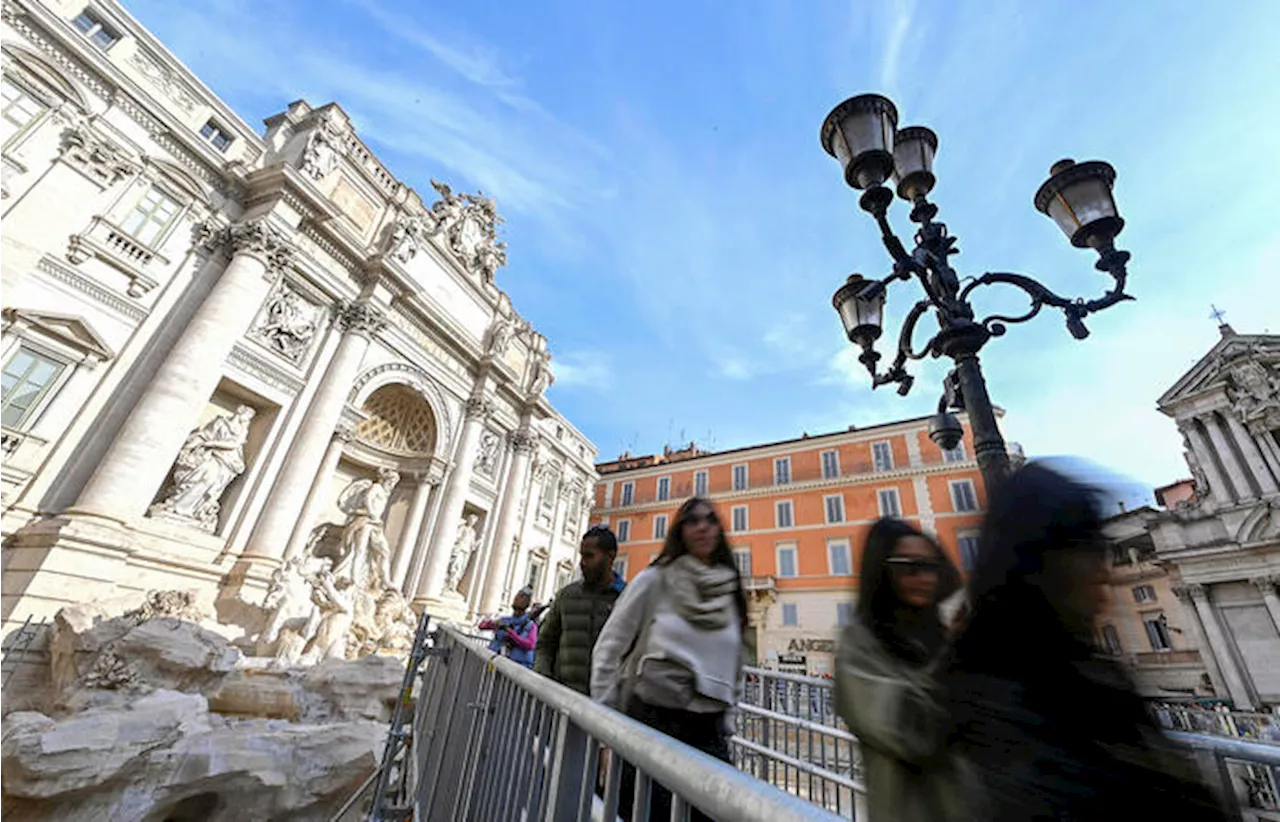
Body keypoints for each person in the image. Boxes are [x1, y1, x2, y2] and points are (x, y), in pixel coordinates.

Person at [944, 462, 1229, 821]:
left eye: (1100, 548)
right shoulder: (1001, 698)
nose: (1103, 572)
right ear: (1038, 562)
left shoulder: (1081, 668)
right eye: (1084, 548)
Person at [591, 497, 747, 822]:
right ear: (680, 530)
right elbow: (609, 647)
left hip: (710, 733)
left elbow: (735, 665)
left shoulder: (729, 591)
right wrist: (605, 728)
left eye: (710, 519)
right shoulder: (655, 579)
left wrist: (729, 726)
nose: (703, 526)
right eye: (692, 520)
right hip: (652, 725)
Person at [833, 518, 968, 822]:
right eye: (910, 566)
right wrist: (956, 656)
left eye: (933, 566)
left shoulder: (936, 637)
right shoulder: (859, 645)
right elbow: (913, 730)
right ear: (883, 571)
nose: (926, 578)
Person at [535, 525, 626, 694]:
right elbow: (545, 643)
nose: (582, 563)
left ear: (610, 557)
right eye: (581, 556)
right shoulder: (566, 596)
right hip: (561, 698)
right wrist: (543, 677)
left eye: (589, 556)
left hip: (606, 706)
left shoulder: (627, 600)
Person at [478, 586, 541, 669]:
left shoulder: (531, 625)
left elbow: (530, 644)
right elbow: (481, 626)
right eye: (518, 596)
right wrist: (493, 623)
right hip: (496, 664)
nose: (517, 599)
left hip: (517, 668)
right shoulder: (505, 620)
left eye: (522, 596)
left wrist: (511, 633)